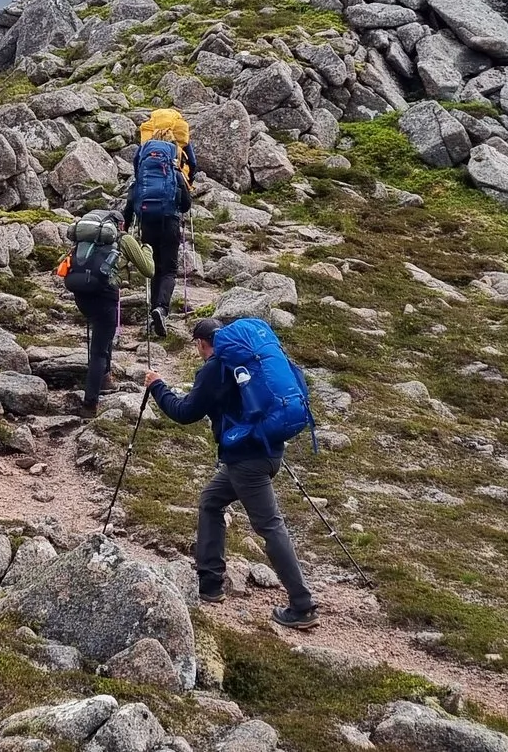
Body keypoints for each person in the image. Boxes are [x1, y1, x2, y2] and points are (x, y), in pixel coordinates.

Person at [147, 316, 319, 628]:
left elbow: (184, 412)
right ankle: (210, 582)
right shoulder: (248, 360)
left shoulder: (216, 367)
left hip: (246, 461)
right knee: (211, 500)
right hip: (269, 450)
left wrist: (157, 386)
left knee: (269, 526)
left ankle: (302, 605)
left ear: (201, 343)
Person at [60, 208, 154, 417]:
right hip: (105, 296)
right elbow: (148, 270)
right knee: (99, 350)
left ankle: (105, 379)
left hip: (81, 296)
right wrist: (147, 249)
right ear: (120, 225)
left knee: (102, 336)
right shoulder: (124, 239)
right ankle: (89, 404)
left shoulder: (86, 241)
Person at [123, 109, 196, 339]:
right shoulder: (174, 169)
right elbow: (185, 205)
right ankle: (161, 308)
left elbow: (131, 199)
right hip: (170, 220)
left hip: (147, 220)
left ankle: (154, 311)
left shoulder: (144, 163)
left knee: (152, 267)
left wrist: (125, 224)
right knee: (169, 269)